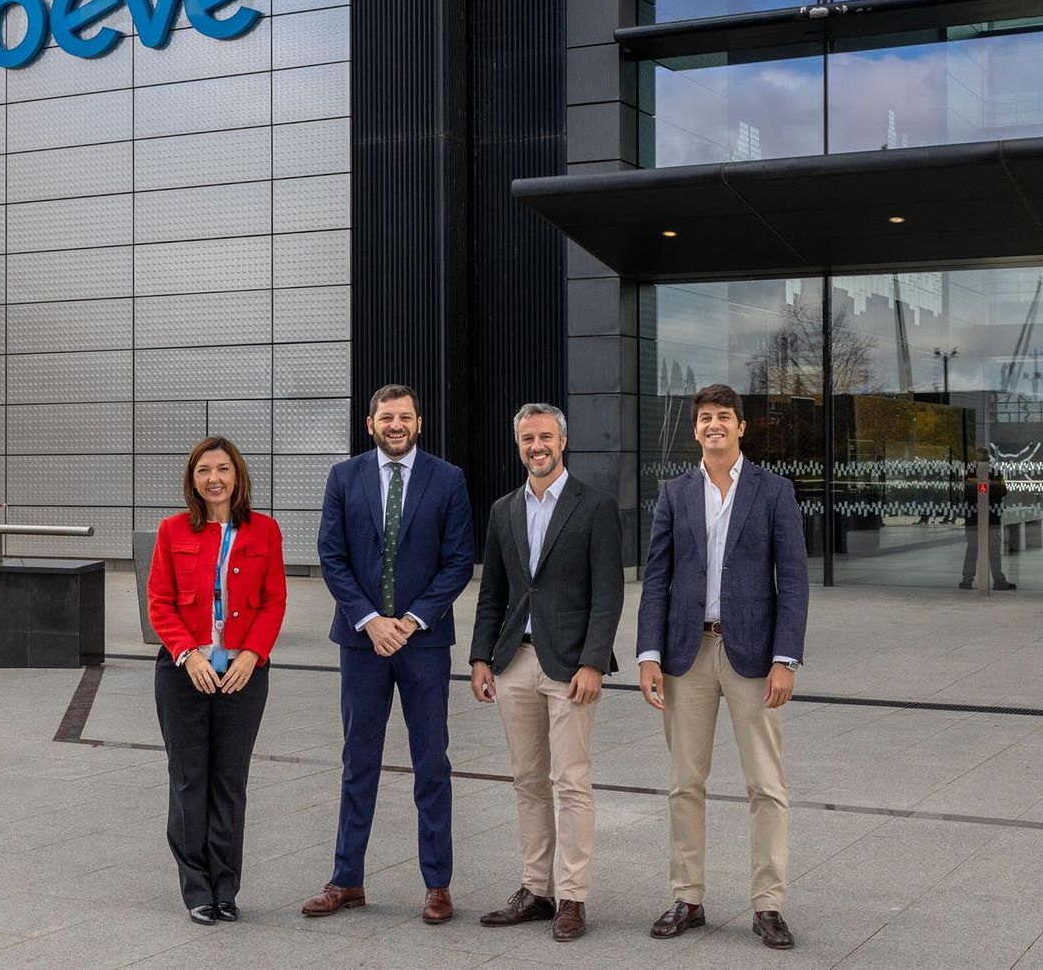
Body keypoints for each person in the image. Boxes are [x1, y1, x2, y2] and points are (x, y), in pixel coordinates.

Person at [637, 383, 807, 951]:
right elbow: (655, 578)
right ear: (695, 429)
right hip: (686, 655)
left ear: (741, 427)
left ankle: (768, 906)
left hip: (754, 658)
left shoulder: (774, 491)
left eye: (724, 417)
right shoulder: (673, 493)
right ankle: (687, 897)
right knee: (685, 782)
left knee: (766, 785)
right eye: (705, 417)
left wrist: (785, 659)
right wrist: (649, 655)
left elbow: (795, 582)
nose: (714, 425)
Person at [302, 384, 475, 924]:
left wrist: (411, 620)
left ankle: (438, 885)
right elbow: (331, 556)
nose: (395, 425)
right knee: (358, 763)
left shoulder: (447, 479)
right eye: (386, 417)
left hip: (423, 643)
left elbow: (458, 560)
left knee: (432, 765)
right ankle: (346, 879)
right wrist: (371, 621)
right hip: (362, 642)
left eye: (404, 417)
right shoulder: (343, 477)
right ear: (369, 424)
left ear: (418, 423)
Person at [470, 403, 624, 942]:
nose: (537, 446)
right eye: (528, 439)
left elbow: (608, 593)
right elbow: (493, 592)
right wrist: (480, 657)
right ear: (519, 446)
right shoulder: (503, 509)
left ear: (563, 441)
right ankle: (537, 890)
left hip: (569, 667)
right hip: (514, 662)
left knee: (572, 782)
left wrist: (592, 662)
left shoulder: (596, 507)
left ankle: (573, 897)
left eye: (546, 437)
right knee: (528, 782)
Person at [147, 436, 287, 925]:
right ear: (192, 479)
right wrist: (188, 654)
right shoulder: (172, 531)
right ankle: (196, 889)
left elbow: (273, 601)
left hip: (243, 675)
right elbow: (160, 603)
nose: (214, 478)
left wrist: (253, 654)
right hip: (185, 673)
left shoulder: (265, 531)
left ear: (237, 475)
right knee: (189, 781)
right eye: (204, 470)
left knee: (229, 781)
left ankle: (227, 888)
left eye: (223, 469)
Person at [959, 447, 1016, 590]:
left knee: (975, 550)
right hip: (986, 518)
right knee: (989, 550)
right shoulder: (985, 474)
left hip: (981, 518)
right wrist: (989, 486)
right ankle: (996, 580)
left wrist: (984, 486)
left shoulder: (974, 473)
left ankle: (968, 581)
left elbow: (1001, 491)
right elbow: (1000, 490)